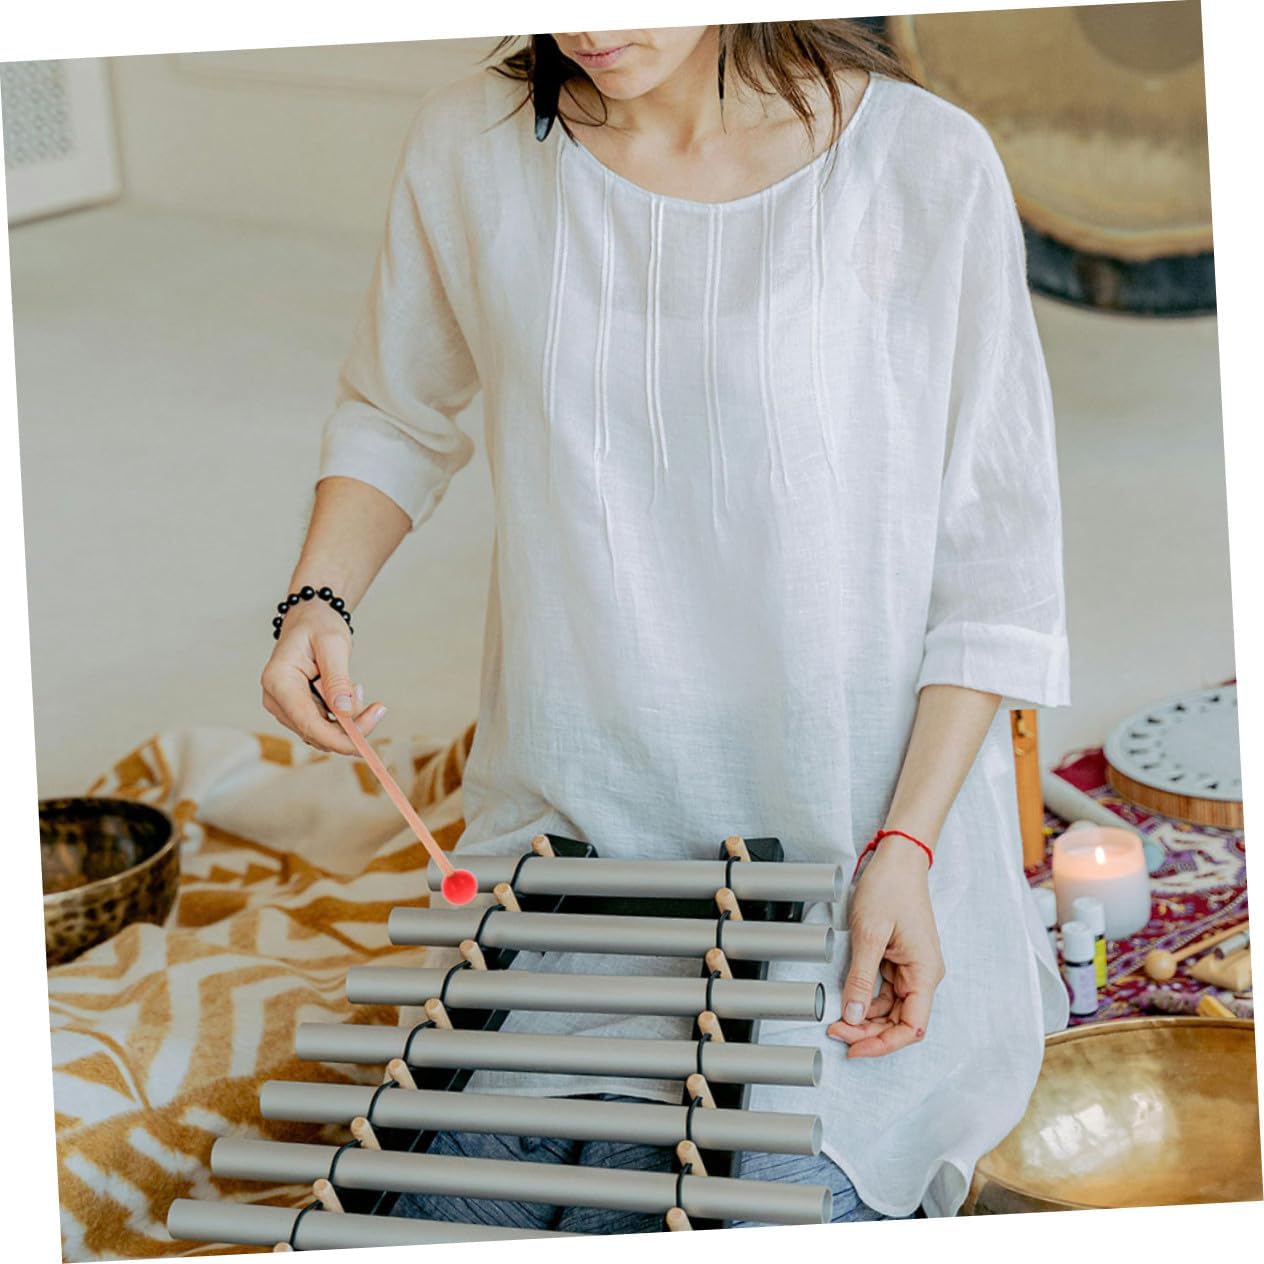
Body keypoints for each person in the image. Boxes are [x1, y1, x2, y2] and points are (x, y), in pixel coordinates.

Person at [260, 23, 1072, 1229]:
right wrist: (315, 603)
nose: (588, 26)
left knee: (752, 1203)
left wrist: (907, 846)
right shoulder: (471, 146)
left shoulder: (920, 162)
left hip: (854, 863)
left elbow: (993, 567)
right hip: (576, 859)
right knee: (439, 1208)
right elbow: (395, 410)